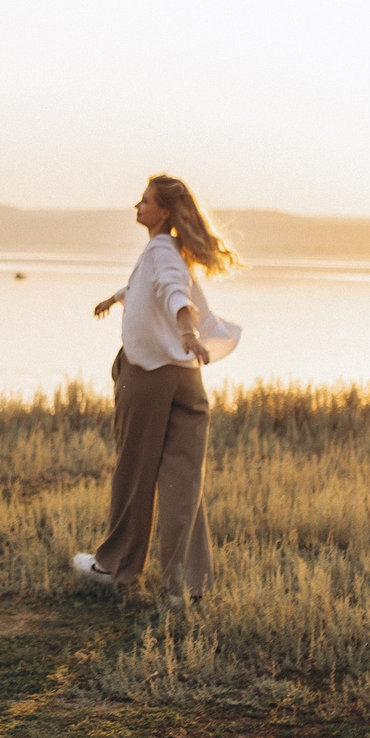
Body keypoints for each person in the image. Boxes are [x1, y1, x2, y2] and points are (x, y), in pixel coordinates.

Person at [72, 172, 240, 603]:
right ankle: (183, 587)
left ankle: (115, 568)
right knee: (184, 481)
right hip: (187, 379)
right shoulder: (169, 253)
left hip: (149, 377)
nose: (137, 206)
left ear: (162, 211)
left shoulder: (162, 252)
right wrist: (116, 298)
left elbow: (172, 294)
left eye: (144, 201)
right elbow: (151, 288)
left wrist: (187, 331)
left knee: (134, 471)